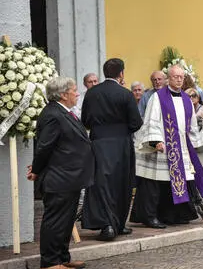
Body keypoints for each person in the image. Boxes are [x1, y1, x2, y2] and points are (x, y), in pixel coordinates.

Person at [131, 65, 203, 228]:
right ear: (169, 78)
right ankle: (151, 216)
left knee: (178, 181)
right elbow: (151, 120)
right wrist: (156, 141)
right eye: (175, 76)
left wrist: (192, 142)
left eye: (181, 77)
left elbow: (191, 126)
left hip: (180, 147)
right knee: (156, 184)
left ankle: (176, 215)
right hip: (161, 148)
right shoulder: (158, 97)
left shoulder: (186, 99)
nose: (178, 79)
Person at [28, 77, 95, 269]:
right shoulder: (52, 115)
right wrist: (36, 169)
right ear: (64, 94)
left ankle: (63, 258)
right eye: (74, 90)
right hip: (60, 177)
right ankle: (50, 262)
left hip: (70, 177)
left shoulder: (64, 112)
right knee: (55, 221)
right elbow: (44, 148)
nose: (77, 93)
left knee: (66, 222)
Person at [80, 58, 143, 241]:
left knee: (100, 183)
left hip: (98, 142)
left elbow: (85, 120)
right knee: (121, 183)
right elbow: (136, 122)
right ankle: (118, 224)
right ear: (121, 73)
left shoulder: (91, 94)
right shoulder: (125, 94)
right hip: (121, 143)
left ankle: (106, 225)